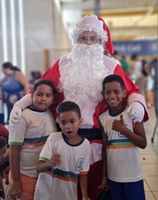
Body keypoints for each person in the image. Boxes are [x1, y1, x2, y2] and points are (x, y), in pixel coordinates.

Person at [9, 15, 148, 200]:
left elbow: (130, 90)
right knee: (66, 190)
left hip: (99, 145)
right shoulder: (62, 63)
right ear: (76, 40)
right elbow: (41, 88)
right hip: (64, 140)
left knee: (96, 190)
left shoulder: (111, 65)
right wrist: (20, 105)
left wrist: (137, 103)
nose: (88, 43)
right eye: (83, 38)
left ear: (101, 41)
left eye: (93, 39)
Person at [99, 75, 147, 200]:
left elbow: (143, 143)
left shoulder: (133, 114)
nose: (112, 96)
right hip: (113, 177)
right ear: (103, 94)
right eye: (108, 92)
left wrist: (123, 129)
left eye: (117, 92)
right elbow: (105, 149)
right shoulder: (103, 118)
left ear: (124, 93)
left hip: (133, 176)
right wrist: (105, 176)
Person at [8, 79, 57, 200]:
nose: (43, 98)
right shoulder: (22, 117)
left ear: (53, 98)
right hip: (26, 176)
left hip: (45, 175)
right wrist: (16, 180)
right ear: (32, 95)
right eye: (39, 94)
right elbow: (14, 149)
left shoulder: (50, 113)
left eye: (48, 95)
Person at [34, 101, 91, 200]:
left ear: (80, 121)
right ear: (59, 124)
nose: (68, 126)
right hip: (45, 195)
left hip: (67, 195)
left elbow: (83, 174)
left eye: (72, 121)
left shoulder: (86, 145)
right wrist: (50, 163)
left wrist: (84, 195)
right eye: (63, 122)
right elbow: (38, 168)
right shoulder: (54, 138)